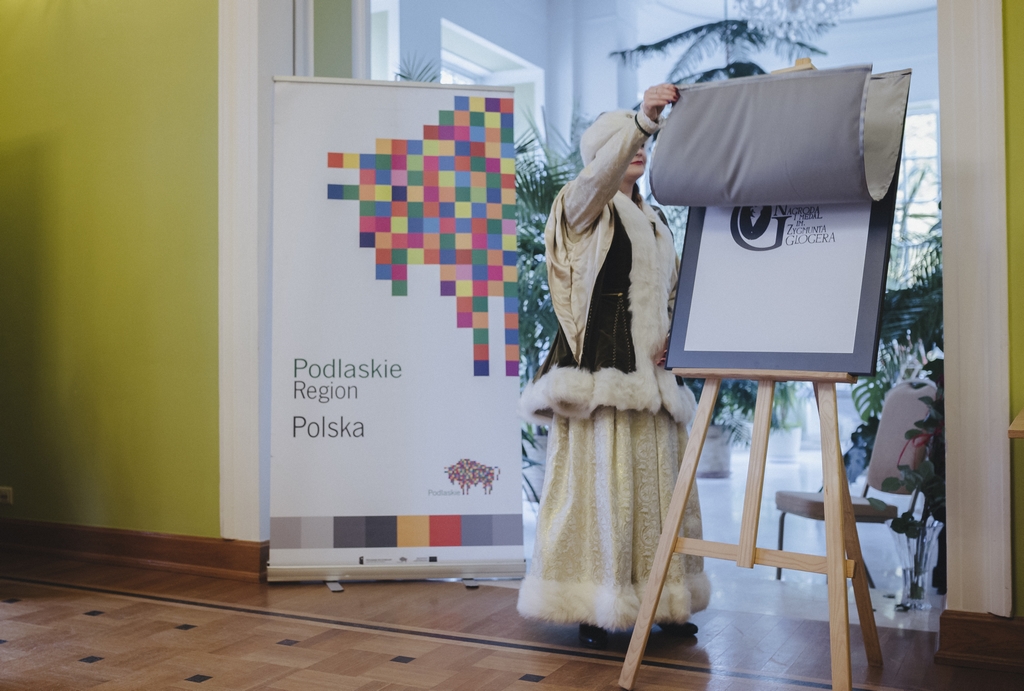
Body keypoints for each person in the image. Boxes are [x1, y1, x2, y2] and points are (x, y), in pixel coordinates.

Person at [517, 83, 709, 649]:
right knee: (603, 494)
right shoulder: (581, 208)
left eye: (643, 142)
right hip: (603, 380)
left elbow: (672, 294)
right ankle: (596, 606)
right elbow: (595, 182)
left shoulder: (656, 220)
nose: (638, 148)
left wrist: (677, 339)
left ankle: (662, 603)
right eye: (624, 142)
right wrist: (642, 120)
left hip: (656, 383)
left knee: (657, 497)